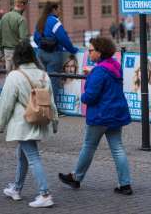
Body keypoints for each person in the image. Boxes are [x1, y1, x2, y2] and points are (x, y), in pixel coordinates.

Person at [58, 37, 132, 195]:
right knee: (118, 148)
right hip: (115, 113)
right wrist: (92, 73)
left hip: (100, 115)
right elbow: (106, 79)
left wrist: (83, 95)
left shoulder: (99, 71)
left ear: (100, 52)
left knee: (89, 146)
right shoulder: (115, 66)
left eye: (91, 50)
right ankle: (125, 184)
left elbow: (90, 96)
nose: (88, 53)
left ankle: (76, 178)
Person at [0, 40, 58, 208]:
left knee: (32, 157)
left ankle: (45, 194)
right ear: (33, 55)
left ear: (16, 57)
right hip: (40, 121)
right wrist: (55, 122)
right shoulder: (44, 75)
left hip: (22, 123)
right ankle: (16, 188)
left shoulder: (15, 76)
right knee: (23, 155)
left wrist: (0, 125)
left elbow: (6, 104)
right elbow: (52, 102)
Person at [34, 3, 78, 113]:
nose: (59, 11)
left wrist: (41, 45)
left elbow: (35, 38)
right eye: (58, 9)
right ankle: (52, 110)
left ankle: (40, 107)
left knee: (41, 81)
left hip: (40, 53)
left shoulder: (40, 21)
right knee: (53, 82)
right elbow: (63, 38)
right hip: (54, 54)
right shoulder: (55, 22)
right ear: (53, 9)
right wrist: (72, 50)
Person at [0, 0, 30, 72]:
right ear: (22, 5)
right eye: (25, 5)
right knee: (18, 76)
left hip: (6, 51)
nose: (26, 7)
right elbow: (24, 40)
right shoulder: (21, 19)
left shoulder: (4, 17)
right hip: (17, 52)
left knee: (9, 76)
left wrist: (2, 50)